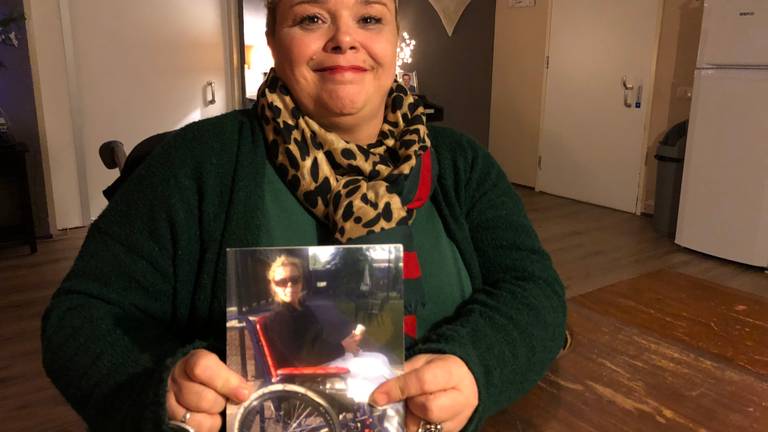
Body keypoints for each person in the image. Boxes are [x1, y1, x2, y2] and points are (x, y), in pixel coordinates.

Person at [41, 1, 566, 432]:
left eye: (370, 18)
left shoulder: (460, 162)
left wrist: (475, 365)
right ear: (272, 39)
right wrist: (160, 393)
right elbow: (81, 318)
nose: (344, 39)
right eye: (312, 18)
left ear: (394, 37)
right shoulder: (196, 164)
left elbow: (535, 291)